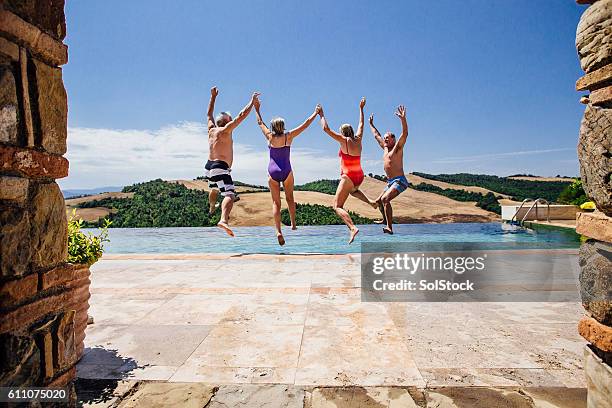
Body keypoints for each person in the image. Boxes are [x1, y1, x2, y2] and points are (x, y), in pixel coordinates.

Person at [253, 96, 321, 245]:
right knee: (290, 198)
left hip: (272, 171)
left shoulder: (269, 137)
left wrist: (256, 108)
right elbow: (305, 125)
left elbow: (259, 122)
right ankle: (293, 224)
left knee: (276, 203)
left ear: (272, 127)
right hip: (286, 170)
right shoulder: (288, 136)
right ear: (283, 126)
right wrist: (315, 113)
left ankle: (278, 231)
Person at [319, 97, 377, 244]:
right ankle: (371, 202)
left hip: (349, 176)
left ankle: (352, 228)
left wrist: (321, 115)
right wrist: (361, 109)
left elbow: (326, 129)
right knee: (353, 191)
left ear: (343, 132)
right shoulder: (358, 139)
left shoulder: (343, 140)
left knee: (337, 206)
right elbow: (361, 124)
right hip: (359, 175)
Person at [205, 86, 259, 236]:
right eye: (230, 119)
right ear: (227, 121)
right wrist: (252, 102)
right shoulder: (225, 130)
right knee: (230, 194)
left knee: (215, 188)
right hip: (221, 167)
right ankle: (223, 220)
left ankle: (211, 207)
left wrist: (213, 97)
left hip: (209, 167)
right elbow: (241, 115)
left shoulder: (211, 130)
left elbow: (209, 114)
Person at [369, 105, 409, 234]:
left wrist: (403, 119)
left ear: (393, 140)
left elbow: (405, 134)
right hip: (390, 182)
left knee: (385, 199)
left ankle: (390, 227)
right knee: (379, 201)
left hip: (400, 181)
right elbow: (376, 135)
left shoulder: (397, 148)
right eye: (385, 138)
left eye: (387, 138)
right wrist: (371, 124)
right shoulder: (385, 148)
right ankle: (385, 220)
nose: (385, 139)